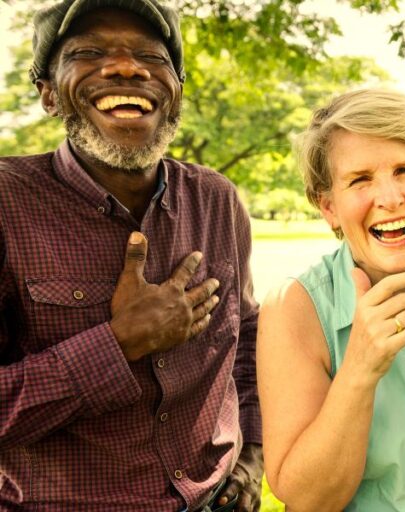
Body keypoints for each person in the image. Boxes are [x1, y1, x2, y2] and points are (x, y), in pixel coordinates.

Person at [0, 0, 263, 510]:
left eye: (152, 57)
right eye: (89, 52)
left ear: (177, 91)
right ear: (48, 94)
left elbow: (247, 342)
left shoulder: (216, 199)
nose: (126, 67)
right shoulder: (7, 203)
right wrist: (117, 345)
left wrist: (252, 457)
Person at [257, 88, 405, 511]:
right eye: (360, 179)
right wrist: (360, 368)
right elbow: (308, 500)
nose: (390, 198)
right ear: (328, 207)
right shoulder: (294, 309)